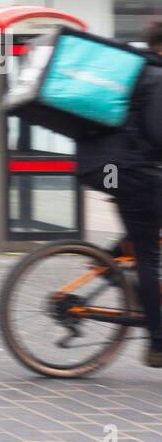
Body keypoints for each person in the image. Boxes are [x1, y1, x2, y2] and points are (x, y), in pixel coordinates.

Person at [76, 21, 162, 366]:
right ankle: (158, 343)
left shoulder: (131, 71)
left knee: (142, 221)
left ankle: (112, 265)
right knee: (147, 253)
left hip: (100, 167)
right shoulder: (156, 76)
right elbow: (158, 135)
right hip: (125, 170)